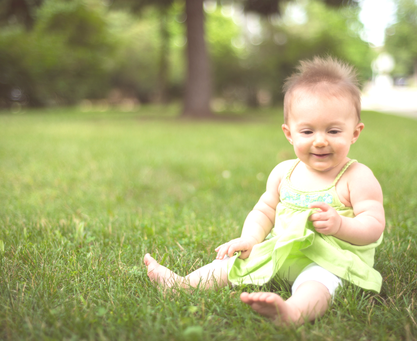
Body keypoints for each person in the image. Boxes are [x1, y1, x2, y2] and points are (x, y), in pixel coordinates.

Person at [144, 56, 385, 326]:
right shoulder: (284, 172)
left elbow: (374, 225)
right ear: (289, 133)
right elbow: (265, 210)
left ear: (354, 132)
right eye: (307, 131)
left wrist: (341, 225)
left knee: (319, 283)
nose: (320, 141)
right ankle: (182, 285)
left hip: (331, 258)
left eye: (333, 130)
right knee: (231, 264)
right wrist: (250, 239)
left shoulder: (357, 177)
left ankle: (293, 312)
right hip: (279, 251)